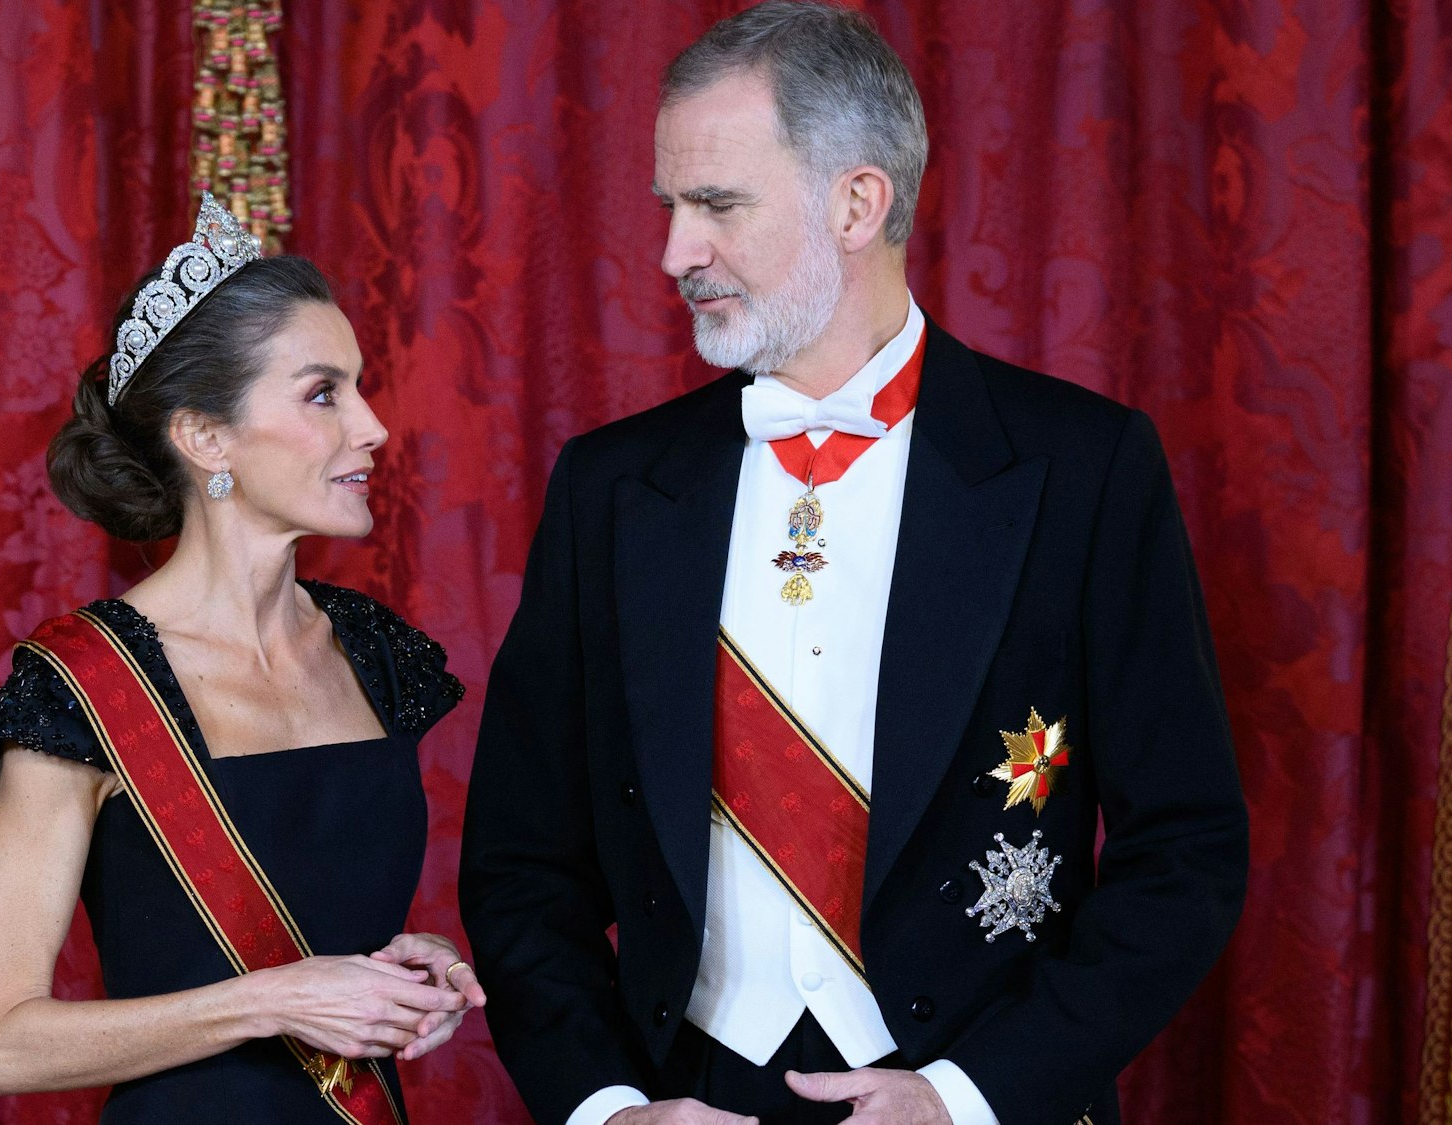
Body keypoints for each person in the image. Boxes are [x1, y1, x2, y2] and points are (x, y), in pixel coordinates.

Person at [459, 5, 1247, 1125]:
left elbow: (1187, 847)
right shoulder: (611, 489)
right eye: (670, 207)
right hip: (686, 1098)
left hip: (982, 1094)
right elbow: (520, 861)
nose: (675, 252)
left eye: (715, 205)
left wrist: (973, 1096)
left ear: (856, 202)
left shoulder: (1080, 467)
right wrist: (604, 1109)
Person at [0, 194, 484, 1123]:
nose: (372, 427)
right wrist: (273, 998)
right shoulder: (79, 688)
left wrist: (404, 965)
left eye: (359, 388)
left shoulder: (373, 653)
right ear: (205, 437)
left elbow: (324, 924)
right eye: (323, 393)